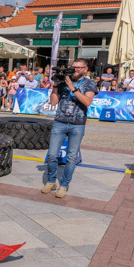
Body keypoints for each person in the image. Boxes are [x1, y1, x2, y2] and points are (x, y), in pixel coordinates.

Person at [42, 58, 97, 198]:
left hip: (77, 124)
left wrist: (72, 87)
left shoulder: (89, 83)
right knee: (53, 154)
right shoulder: (63, 81)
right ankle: (51, 181)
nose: (76, 70)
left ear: (85, 69)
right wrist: (55, 84)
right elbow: (53, 102)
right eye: (74, 67)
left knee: (71, 157)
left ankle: (64, 185)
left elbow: (87, 101)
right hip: (60, 121)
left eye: (79, 68)